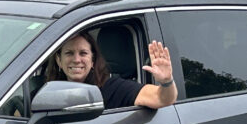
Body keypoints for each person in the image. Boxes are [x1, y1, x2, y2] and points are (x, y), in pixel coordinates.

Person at [45, 31, 177, 110]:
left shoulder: (112, 88)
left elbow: (162, 99)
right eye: (69, 53)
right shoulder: (45, 91)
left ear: (92, 61)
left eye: (83, 53)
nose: (76, 59)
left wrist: (166, 82)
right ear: (59, 60)